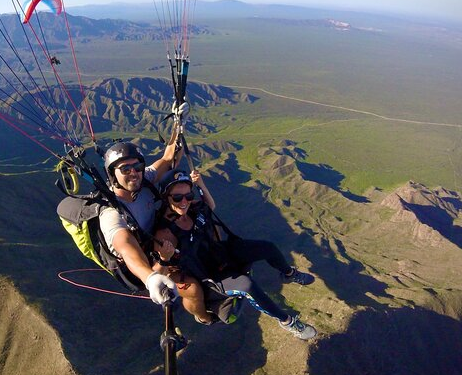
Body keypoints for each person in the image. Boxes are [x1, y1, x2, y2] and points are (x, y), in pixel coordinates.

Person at [153, 170, 317, 340]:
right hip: (208, 275)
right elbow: (156, 274)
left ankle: (290, 274)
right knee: (246, 285)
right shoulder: (165, 233)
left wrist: (200, 184)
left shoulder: (193, 208)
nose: (184, 202)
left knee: (268, 248)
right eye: (178, 198)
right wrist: (164, 258)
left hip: (220, 253)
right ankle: (288, 322)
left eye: (188, 195)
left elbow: (210, 206)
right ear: (166, 198)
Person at [98, 135, 208, 318]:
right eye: (125, 169)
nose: (133, 172)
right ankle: (204, 318)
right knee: (194, 289)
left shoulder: (142, 180)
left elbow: (167, 159)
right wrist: (150, 278)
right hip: (148, 263)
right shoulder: (111, 212)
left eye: (137, 167)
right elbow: (124, 245)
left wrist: (178, 124)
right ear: (112, 174)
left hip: (162, 242)